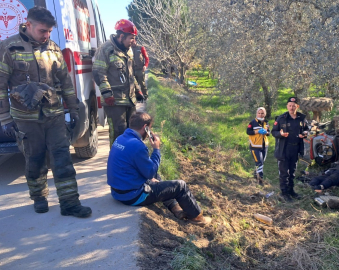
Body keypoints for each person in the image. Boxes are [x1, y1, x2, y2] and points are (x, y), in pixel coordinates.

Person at [0, 7, 91, 217]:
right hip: (26, 119)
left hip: (54, 115)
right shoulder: (8, 48)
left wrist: (74, 109)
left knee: (62, 158)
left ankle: (70, 203)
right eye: (43, 31)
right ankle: (39, 197)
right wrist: (4, 118)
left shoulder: (52, 48)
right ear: (28, 25)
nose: (47, 36)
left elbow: (65, 81)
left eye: (49, 31)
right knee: (35, 160)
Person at [107, 112, 212, 227]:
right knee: (180, 186)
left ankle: (175, 208)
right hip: (132, 196)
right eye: (149, 129)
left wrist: (150, 178)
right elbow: (151, 171)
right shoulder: (137, 146)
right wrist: (156, 149)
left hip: (117, 192)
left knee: (156, 178)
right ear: (145, 127)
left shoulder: (120, 139)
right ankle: (197, 217)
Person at [92, 19, 143, 147]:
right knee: (118, 134)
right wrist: (107, 94)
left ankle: (128, 161)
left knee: (132, 132)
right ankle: (117, 162)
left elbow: (131, 74)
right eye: (131, 38)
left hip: (129, 101)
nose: (133, 42)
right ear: (121, 36)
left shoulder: (128, 50)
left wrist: (138, 90)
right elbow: (99, 73)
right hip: (114, 101)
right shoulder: (105, 50)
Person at [271, 97, 309, 202]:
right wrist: (280, 134)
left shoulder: (301, 118)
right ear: (287, 106)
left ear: (297, 106)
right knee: (284, 172)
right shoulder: (281, 118)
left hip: (296, 148)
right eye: (290, 105)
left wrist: (305, 134)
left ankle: (291, 191)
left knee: (292, 172)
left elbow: (306, 129)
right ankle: (284, 193)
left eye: (294, 106)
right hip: (284, 148)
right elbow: (274, 132)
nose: (292, 108)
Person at [246, 107, 270, 185]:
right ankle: (260, 180)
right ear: (256, 113)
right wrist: (257, 131)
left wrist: (266, 132)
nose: (260, 114)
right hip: (255, 145)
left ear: (265, 114)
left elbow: (269, 133)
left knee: (262, 162)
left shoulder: (266, 122)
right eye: (259, 113)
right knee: (259, 162)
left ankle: (255, 175)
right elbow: (248, 132)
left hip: (264, 145)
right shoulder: (252, 122)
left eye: (262, 113)